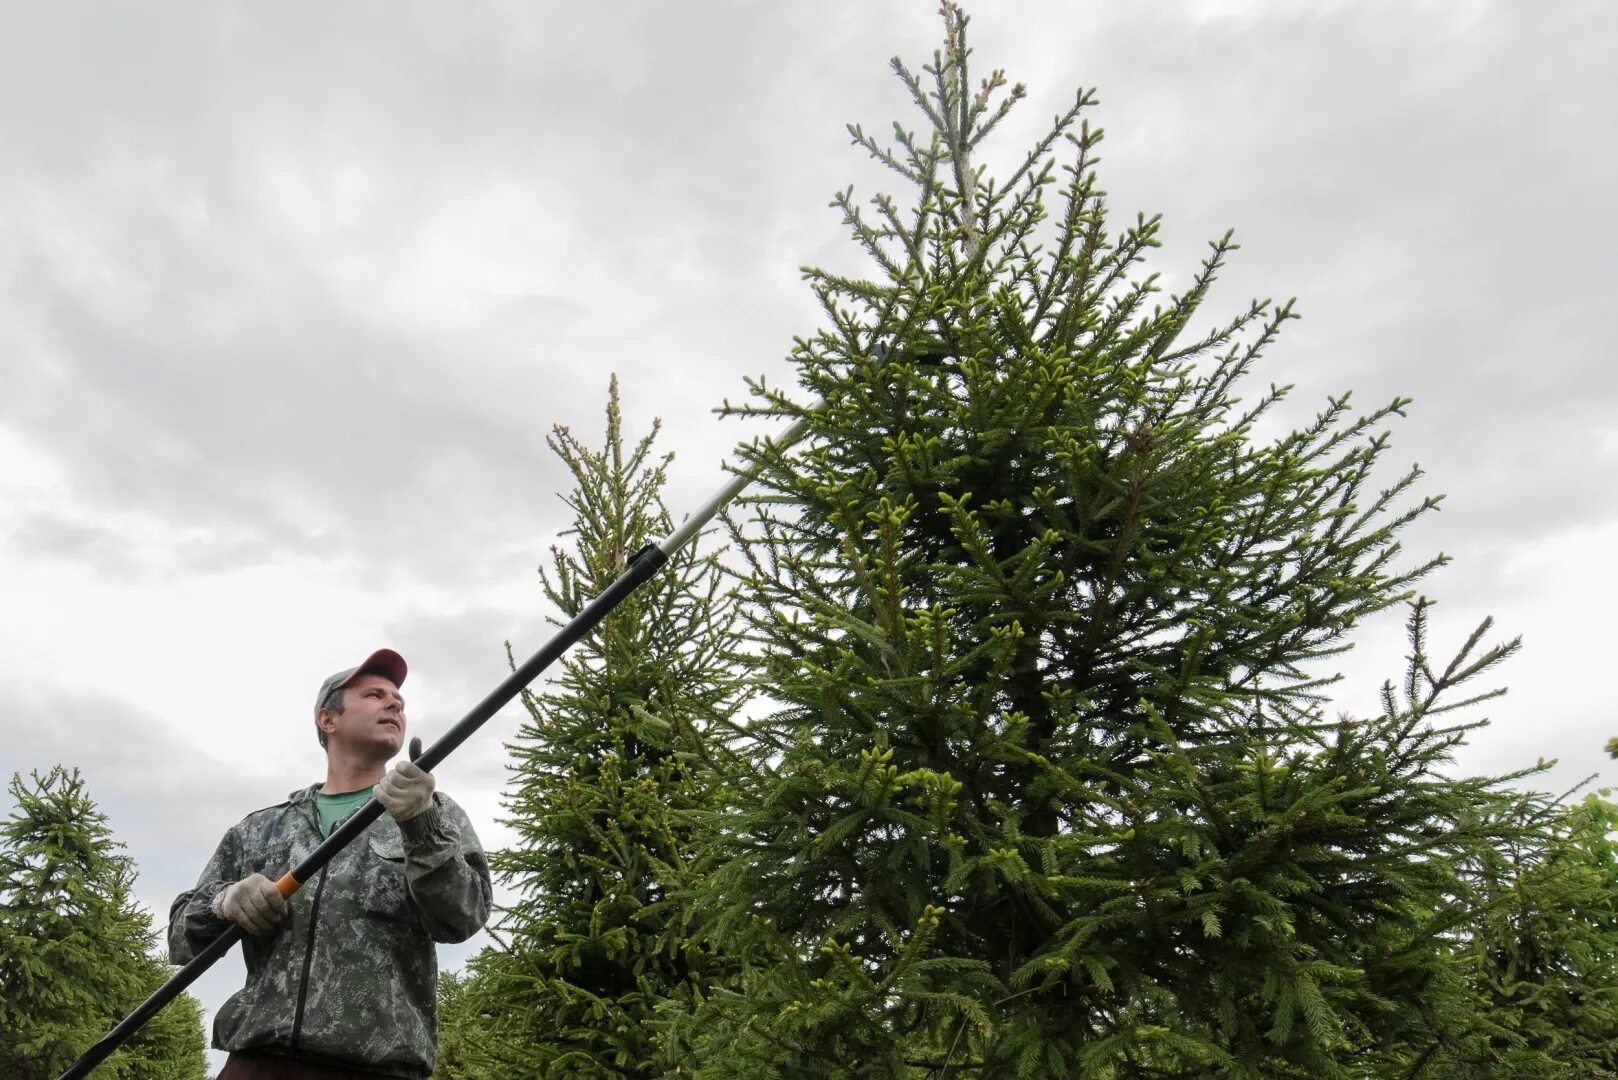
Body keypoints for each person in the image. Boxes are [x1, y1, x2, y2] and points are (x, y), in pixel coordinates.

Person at [168, 648, 492, 1080]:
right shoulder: (261, 829)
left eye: (399, 700)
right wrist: (225, 902)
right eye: (375, 695)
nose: (395, 703)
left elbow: (463, 918)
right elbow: (180, 939)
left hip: (377, 1068)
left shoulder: (434, 811)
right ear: (329, 719)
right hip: (257, 1063)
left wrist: (422, 825)